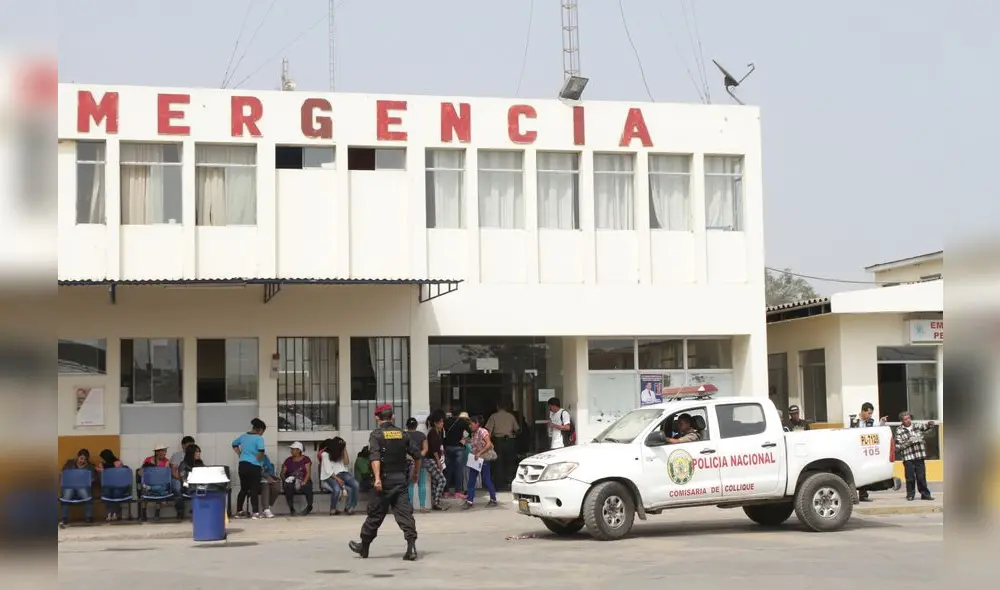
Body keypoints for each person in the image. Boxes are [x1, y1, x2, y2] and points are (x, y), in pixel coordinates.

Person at [348, 404, 420, 561]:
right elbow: (417, 455)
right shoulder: (402, 434)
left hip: (384, 483)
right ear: (392, 417)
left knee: (375, 515)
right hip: (400, 482)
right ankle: (411, 549)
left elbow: (374, 457)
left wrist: (378, 479)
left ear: (377, 418)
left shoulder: (376, 435)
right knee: (405, 515)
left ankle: (364, 547)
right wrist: (415, 473)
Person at [895, 411, 936, 501]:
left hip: (919, 455)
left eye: (909, 418)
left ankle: (925, 494)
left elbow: (925, 427)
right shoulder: (899, 430)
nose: (908, 420)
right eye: (905, 419)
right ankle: (910, 495)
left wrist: (930, 424)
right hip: (908, 457)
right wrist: (909, 442)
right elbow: (898, 446)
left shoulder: (916, 426)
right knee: (910, 478)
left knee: (921, 477)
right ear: (902, 421)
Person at [850, 402, 886, 502]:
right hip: (855, 451)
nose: (870, 415)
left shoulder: (872, 422)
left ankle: (863, 494)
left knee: (864, 473)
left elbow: (876, 432)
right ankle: (852, 495)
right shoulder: (853, 420)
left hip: (865, 451)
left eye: (871, 413)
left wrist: (882, 423)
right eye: (869, 413)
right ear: (863, 411)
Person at [232, 418, 267, 519]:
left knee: (243, 488)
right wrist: (258, 460)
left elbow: (234, 444)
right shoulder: (259, 438)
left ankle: (238, 511)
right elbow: (261, 451)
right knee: (253, 489)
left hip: (242, 465)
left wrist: (239, 454)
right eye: (262, 432)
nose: (262, 434)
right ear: (260, 430)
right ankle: (255, 512)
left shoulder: (243, 436)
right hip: (254, 466)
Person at [462, 415, 498, 510]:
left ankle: (493, 499)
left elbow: (488, 444)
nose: (470, 426)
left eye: (471, 424)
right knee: (471, 480)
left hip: (483, 459)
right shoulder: (473, 433)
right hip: (475, 459)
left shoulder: (483, 431)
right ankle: (470, 501)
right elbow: (474, 443)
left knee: (486, 479)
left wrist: (480, 453)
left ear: (477, 423)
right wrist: (466, 441)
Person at [320, 437, 360, 515]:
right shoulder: (325, 454)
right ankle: (333, 509)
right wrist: (337, 479)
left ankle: (350, 507)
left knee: (356, 485)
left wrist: (344, 449)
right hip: (330, 476)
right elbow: (328, 470)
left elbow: (346, 462)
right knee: (337, 489)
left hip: (343, 473)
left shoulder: (340, 452)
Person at [485, 402, 520, 489]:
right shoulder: (511, 416)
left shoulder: (493, 416)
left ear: (497, 407)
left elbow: (488, 431)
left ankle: (499, 484)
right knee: (510, 462)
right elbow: (517, 429)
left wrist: (488, 443)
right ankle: (509, 482)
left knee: (498, 462)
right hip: (509, 440)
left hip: (498, 441)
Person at [60, 449, 96, 526]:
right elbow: (64, 474)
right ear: (78, 457)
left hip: (82, 486)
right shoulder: (69, 463)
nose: (82, 461)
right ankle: (64, 518)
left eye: (85, 459)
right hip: (70, 486)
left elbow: (93, 478)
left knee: (85, 494)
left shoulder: (90, 467)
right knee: (67, 495)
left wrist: (88, 480)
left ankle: (88, 517)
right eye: (81, 458)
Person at [442, 409, 470, 497]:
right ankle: (457, 491)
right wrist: (464, 440)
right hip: (459, 448)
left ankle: (446, 491)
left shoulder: (445, 421)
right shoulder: (462, 421)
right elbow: (470, 431)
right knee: (459, 470)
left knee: (448, 470)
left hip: (448, 447)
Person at [424, 411, 449, 511]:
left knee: (435, 482)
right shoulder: (433, 432)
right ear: (435, 423)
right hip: (431, 460)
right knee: (442, 480)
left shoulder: (438, 432)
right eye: (441, 422)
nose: (443, 424)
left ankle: (436, 501)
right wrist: (438, 462)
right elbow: (434, 449)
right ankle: (437, 502)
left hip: (434, 459)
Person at [282, 441, 314, 516]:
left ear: (299, 450)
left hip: (303, 480)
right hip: (292, 481)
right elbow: (282, 473)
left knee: (308, 486)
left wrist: (304, 482)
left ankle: (309, 506)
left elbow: (308, 473)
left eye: (293, 449)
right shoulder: (288, 460)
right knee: (288, 487)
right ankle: (291, 508)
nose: (291, 451)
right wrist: (285, 480)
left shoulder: (306, 459)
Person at [405, 418, 430, 512]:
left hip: (408, 464)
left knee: (410, 485)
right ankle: (422, 506)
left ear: (407, 426)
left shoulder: (404, 435)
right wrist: (418, 456)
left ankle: (410, 506)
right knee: (422, 484)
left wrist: (411, 457)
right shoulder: (422, 435)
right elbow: (425, 449)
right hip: (421, 463)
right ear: (416, 425)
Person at [95, 449, 127, 521]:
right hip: (108, 485)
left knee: (116, 493)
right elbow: (101, 471)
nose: (102, 460)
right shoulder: (102, 464)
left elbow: (117, 470)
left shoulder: (118, 462)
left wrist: (102, 468)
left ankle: (115, 513)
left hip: (119, 485)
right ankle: (109, 513)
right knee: (106, 492)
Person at [259, 453, 280, 518]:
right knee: (265, 484)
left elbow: (270, 468)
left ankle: (267, 507)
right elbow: (256, 470)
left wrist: (271, 477)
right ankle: (266, 509)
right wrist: (266, 476)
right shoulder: (250, 457)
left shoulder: (264, 457)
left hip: (267, 478)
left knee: (277, 486)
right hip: (257, 481)